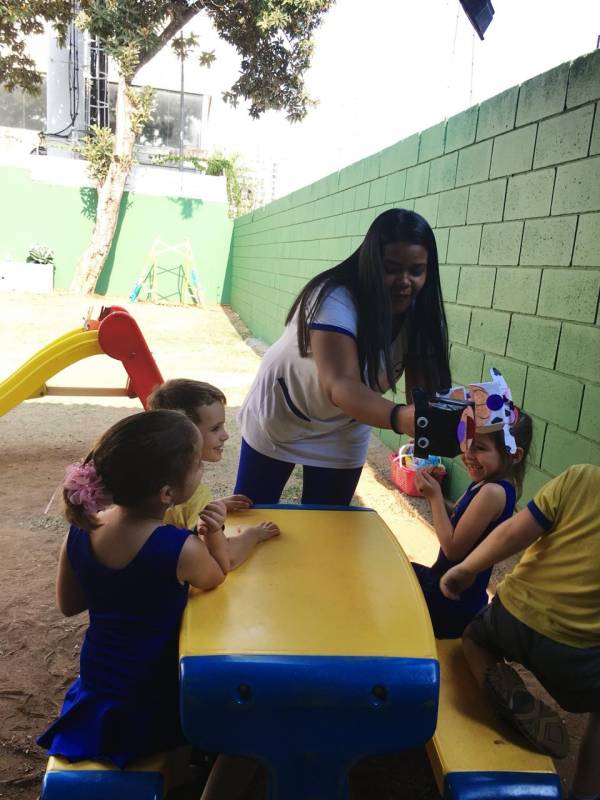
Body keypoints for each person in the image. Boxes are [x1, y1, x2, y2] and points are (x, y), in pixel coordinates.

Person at [37, 410, 278, 771]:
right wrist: (223, 533)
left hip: (99, 690)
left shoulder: (82, 530)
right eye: (198, 465)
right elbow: (218, 574)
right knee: (253, 738)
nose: (203, 470)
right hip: (154, 696)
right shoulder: (178, 547)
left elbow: (69, 604)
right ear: (167, 492)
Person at [234, 208, 452, 505]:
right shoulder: (334, 297)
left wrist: (444, 419)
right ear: (372, 263)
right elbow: (340, 384)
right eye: (391, 268)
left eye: (416, 270)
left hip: (346, 427)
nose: (404, 281)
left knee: (328, 527)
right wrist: (401, 417)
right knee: (250, 514)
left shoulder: (422, 317)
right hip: (283, 414)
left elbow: (426, 391)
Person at [440, 464, 600, 798]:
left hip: (511, 616)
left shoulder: (581, 477)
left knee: (473, 638)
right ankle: (586, 792)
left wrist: (467, 568)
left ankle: (496, 686)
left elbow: (513, 532)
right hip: (578, 652)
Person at [413, 370, 532, 638]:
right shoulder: (490, 484)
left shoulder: (492, 492)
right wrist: (439, 498)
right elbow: (462, 520)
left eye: (479, 447)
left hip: (450, 601)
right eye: (466, 442)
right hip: (450, 588)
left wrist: (433, 497)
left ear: (514, 455)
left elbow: (453, 548)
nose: (467, 454)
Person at [148, 378, 279, 566]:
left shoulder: (149, 471)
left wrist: (212, 506)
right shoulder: (191, 493)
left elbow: (176, 514)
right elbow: (223, 558)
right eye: (215, 428)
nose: (225, 435)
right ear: (185, 433)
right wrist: (253, 535)